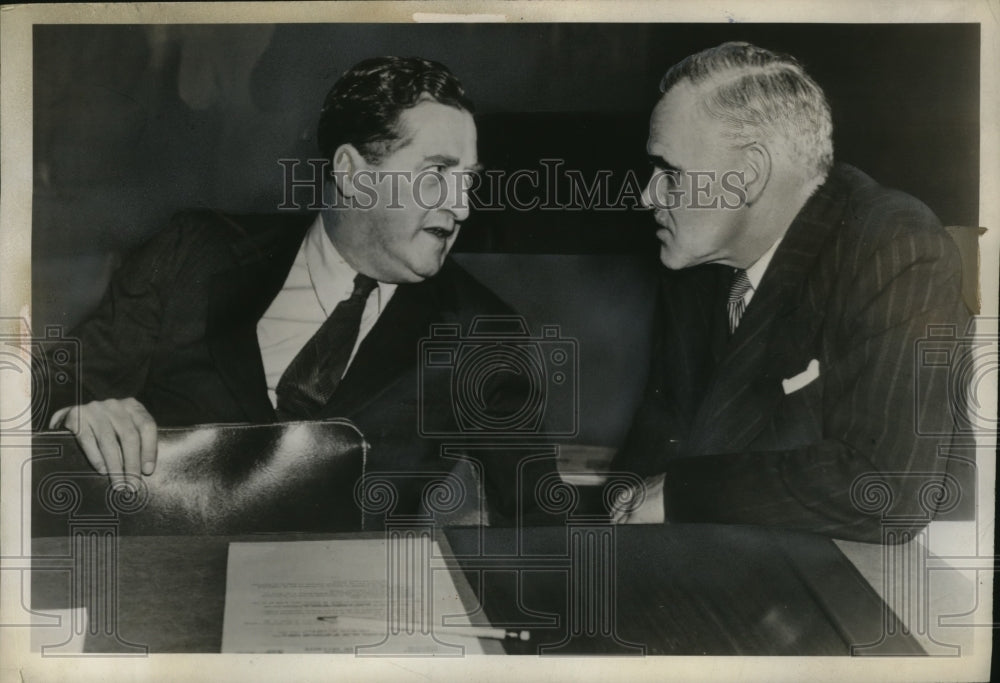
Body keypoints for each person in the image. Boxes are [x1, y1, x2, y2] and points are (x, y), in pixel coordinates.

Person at [45, 56, 548, 526]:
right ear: (353, 174)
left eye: (469, 181)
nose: (461, 206)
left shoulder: (484, 336)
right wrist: (74, 415)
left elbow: (539, 525)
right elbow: (48, 390)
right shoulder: (191, 254)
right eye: (437, 174)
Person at [611, 42, 970, 541]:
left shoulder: (893, 243)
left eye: (670, 173)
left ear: (748, 175)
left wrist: (681, 493)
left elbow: (889, 490)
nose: (648, 195)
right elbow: (653, 450)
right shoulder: (697, 264)